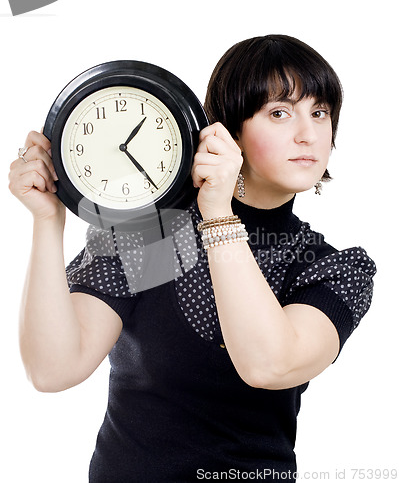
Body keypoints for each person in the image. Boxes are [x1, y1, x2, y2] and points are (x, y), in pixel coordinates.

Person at [9, 35, 376, 482]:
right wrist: (47, 221)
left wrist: (218, 214)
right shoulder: (158, 237)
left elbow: (269, 363)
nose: (308, 133)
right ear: (227, 130)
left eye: (320, 112)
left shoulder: (326, 267)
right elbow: (53, 369)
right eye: (279, 113)